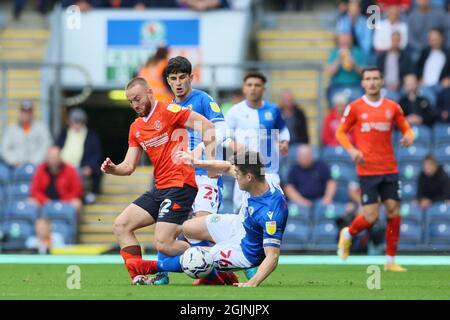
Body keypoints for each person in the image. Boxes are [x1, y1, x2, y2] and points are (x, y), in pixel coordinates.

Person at [100, 77, 216, 285]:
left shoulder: (169, 111)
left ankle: (216, 264)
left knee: (163, 243)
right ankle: (138, 276)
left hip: (180, 185)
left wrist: (210, 162)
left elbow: (207, 127)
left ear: (150, 93)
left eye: (137, 98)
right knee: (121, 225)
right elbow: (128, 167)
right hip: (160, 187)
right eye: (130, 101)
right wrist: (113, 169)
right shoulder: (135, 128)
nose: (135, 104)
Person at [126, 150, 289, 287]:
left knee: (197, 259)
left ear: (249, 177)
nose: (235, 176)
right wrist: (196, 162)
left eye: (238, 174)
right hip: (238, 225)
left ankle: (150, 266)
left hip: (245, 250)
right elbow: (227, 167)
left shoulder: (271, 212)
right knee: (188, 227)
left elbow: (272, 256)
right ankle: (211, 275)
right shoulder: (258, 177)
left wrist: (252, 283)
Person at [150, 56, 228, 285]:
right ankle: (167, 271)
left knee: (199, 228)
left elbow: (222, 130)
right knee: (166, 235)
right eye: (173, 78)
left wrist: (202, 149)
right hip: (177, 180)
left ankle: (225, 269)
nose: (178, 83)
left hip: (204, 176)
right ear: (168, 81)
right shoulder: (165, 109)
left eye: (182, 77)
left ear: (191, 77)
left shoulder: (203, 100)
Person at [335, 66, 415, 272]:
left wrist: (408, 137)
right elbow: (341, 133)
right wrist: (352, 151)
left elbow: (406, 128)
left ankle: (390, 261)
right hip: (367, 170)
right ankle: (348, 234)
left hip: (389, 168)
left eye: (375, 78)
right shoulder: (355, 107)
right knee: (371, 217)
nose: (371, 82)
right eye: (368, 79)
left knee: (393, 211)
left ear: (381, 81)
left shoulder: (392, 107)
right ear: (362, 83)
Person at [225, 71, 290, 212]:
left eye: (257, 85)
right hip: (243, 170)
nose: (253, 88)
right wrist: (232, 144)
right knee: (241, 211)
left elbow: (283, 130)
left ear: (263, 89)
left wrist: (284, 142)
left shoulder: (273, 110)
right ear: (244, 88)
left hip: (269, 170)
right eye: (249, 85)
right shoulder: (235, 111)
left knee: (271, 210)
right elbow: (221, 134)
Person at [56, 108, 103, 204]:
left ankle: (90, 194)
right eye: (75, 121)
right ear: (69, 121)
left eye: (79, 121)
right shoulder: (63, 133)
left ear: (84, 122)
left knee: (97, 170)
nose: (77, 124)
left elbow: (96, 154)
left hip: (81, 167)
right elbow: (56, 148)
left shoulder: (91, 135)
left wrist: (89, 166)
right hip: (63, 167)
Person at [29, 146, 84, 216]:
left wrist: (63, 201)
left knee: (77, 204)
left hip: (65, 201)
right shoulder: (41, 169)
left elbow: (77, 191)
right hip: (45, 201)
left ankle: (73, 226)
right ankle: (38, 225)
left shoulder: (70, 169)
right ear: (47, 159)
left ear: (60, 158)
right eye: (50, 158)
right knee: (30, 202)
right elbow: (35, 190)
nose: (53, 161)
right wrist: (45, 200)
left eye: (55, 158)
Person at [1, 100, 52, 168]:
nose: (26, 114)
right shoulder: (11, 129)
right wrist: (14, 161)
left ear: (32, 113)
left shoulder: (41, 128)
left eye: (28, 112)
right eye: (24, 111)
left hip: (38, 166)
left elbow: (47, 145)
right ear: (20, 112)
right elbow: (4, 149)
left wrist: (35, 161)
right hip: (14, 167)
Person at [326, 32, 366, 105]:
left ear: (351, 41)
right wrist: (339, 59)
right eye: (343, 41)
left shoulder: (358, 52)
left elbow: (364, 74)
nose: (345, 43)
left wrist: (354, 64)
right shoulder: (334, 52)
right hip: (337, 86)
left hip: (355, 86)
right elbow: (330, 72)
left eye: (347, 41)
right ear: (339, 42)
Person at [375, 31, 413, 100]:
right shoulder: (382, 56)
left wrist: (399, 84)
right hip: (384, 86)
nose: (395, 42)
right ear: (390, 40)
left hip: (400, 87)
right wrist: (383, 83)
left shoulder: (406, 57)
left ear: (400, 41)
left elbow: (408, 74)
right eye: (394, 39)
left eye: (397, 40)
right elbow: (377, 72)